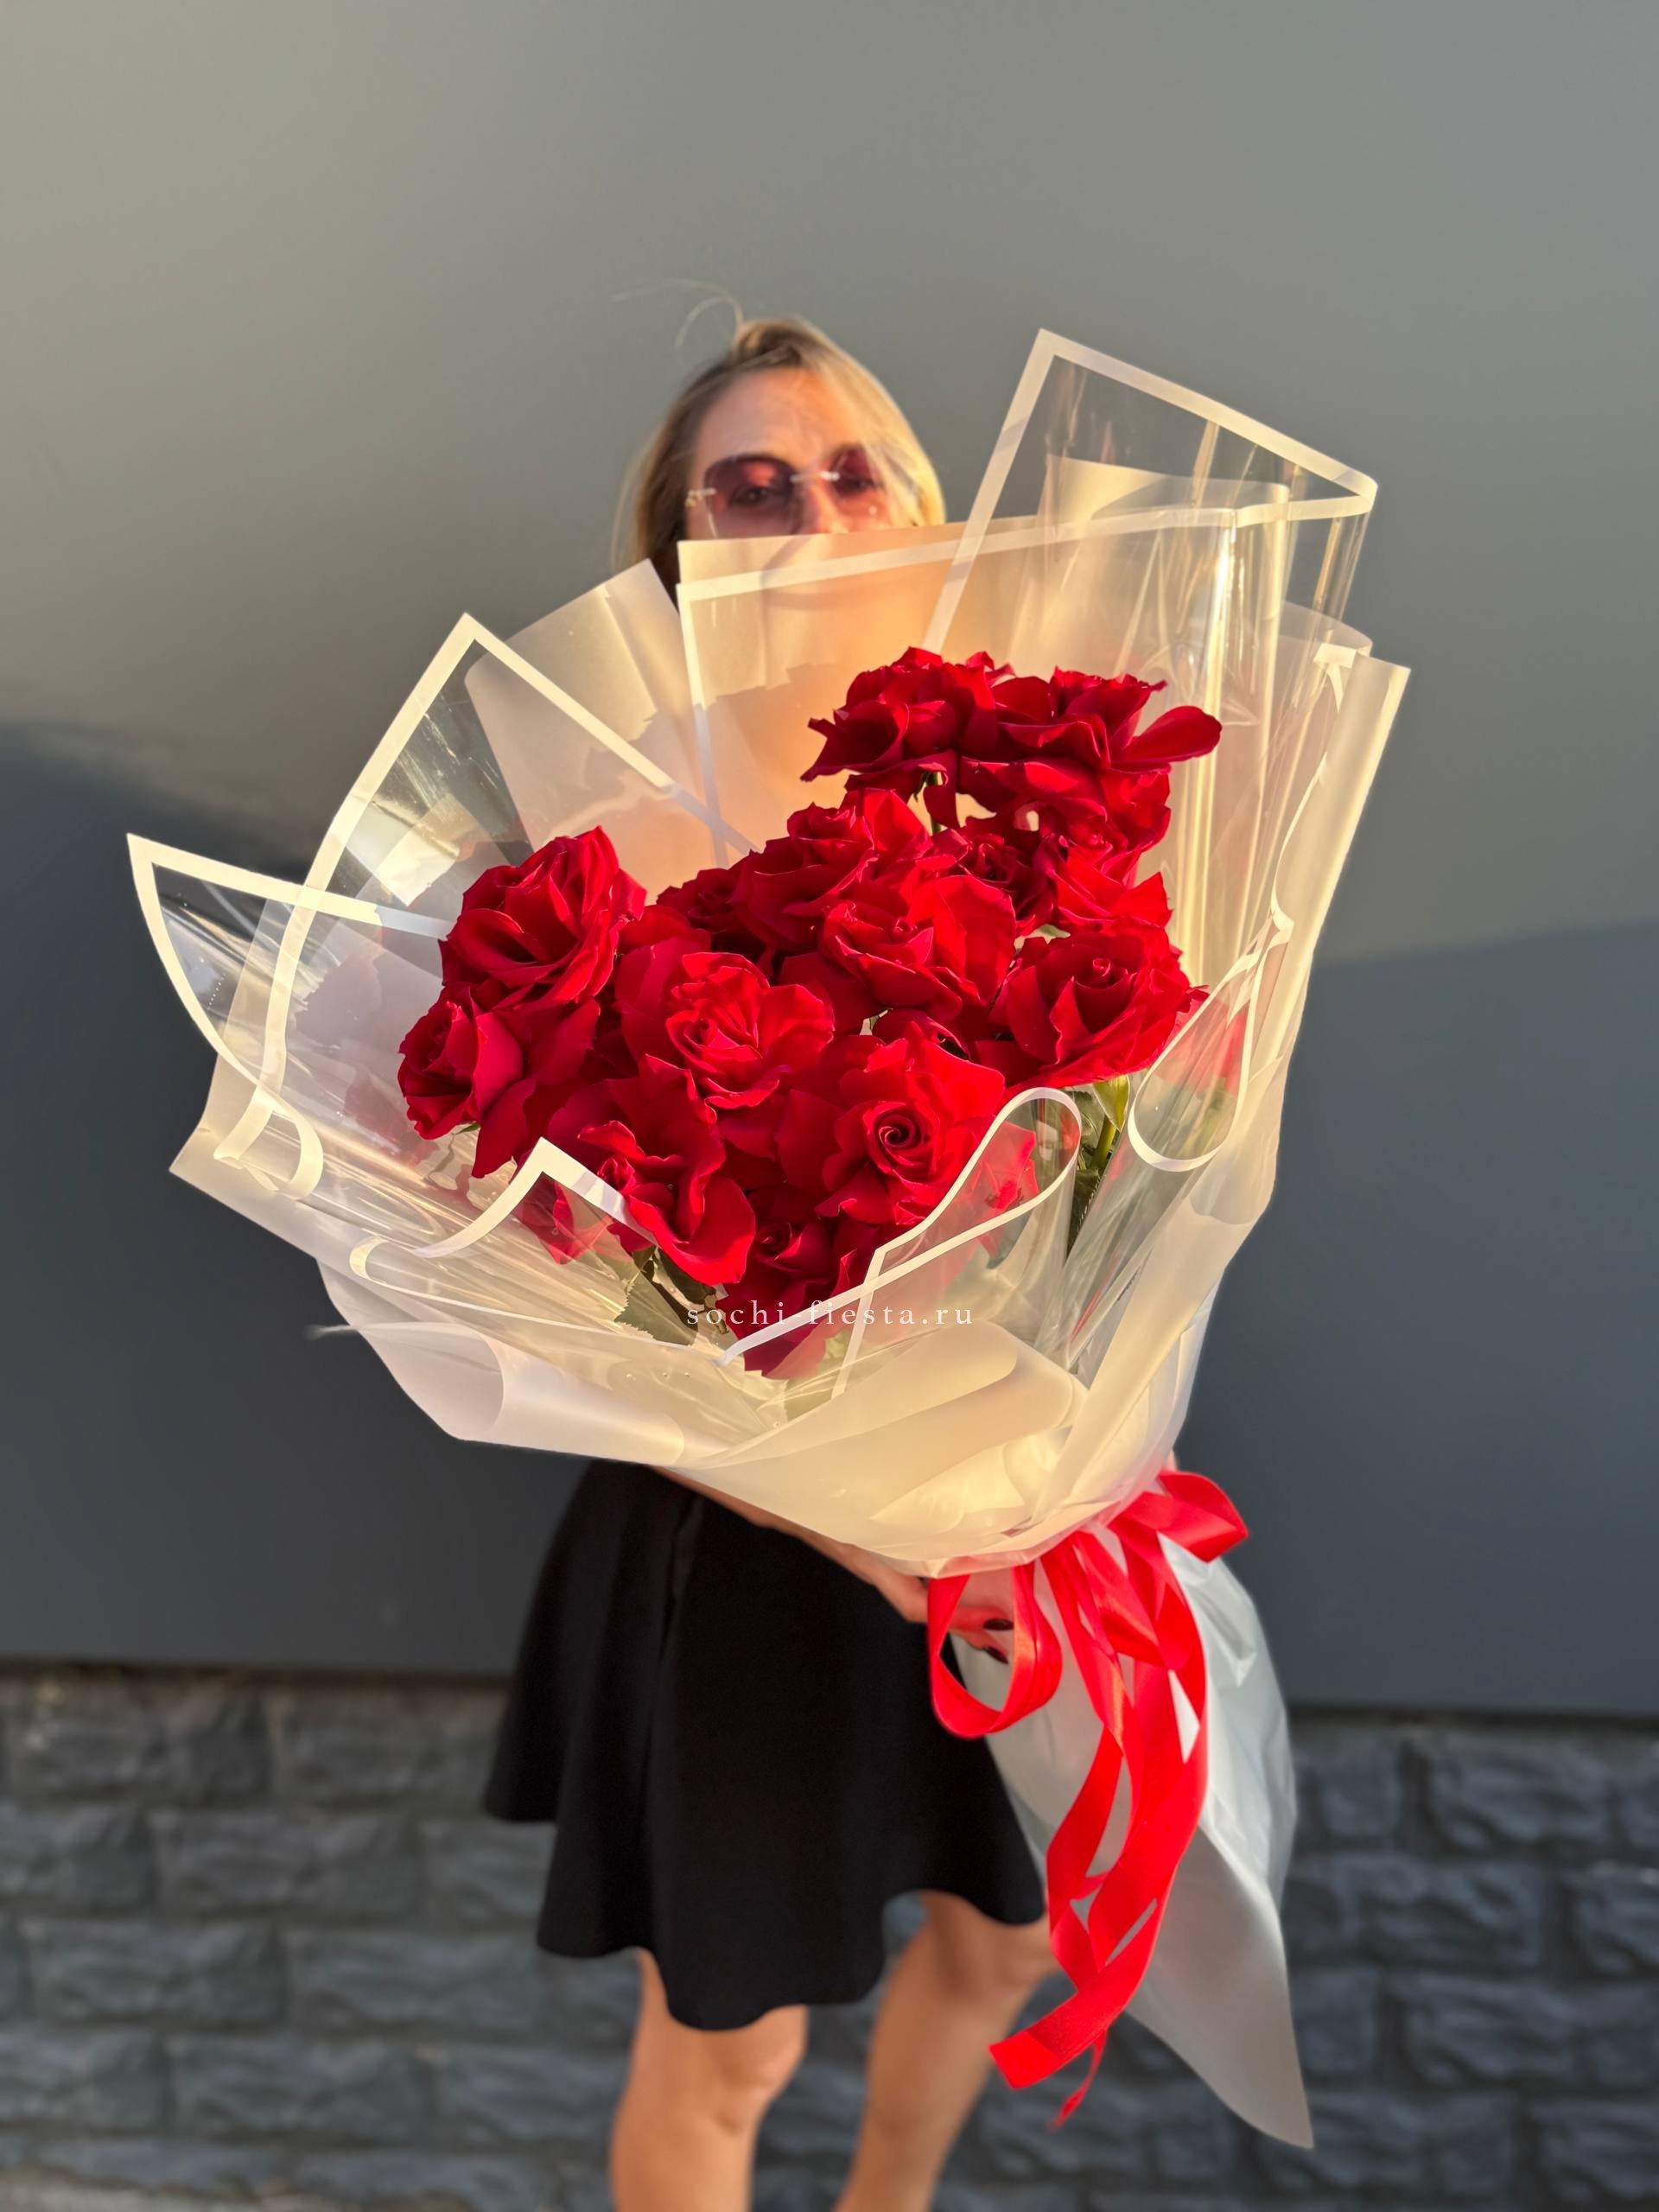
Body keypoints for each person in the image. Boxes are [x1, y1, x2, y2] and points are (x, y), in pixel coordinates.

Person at [483, 316, 1055, 2212]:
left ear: (918, 511)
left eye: (850, 473)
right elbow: (572, 1283)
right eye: (749, 487)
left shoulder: (1020, 789)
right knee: (731, 2041)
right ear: (681, 552)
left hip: (999, 1502)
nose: (809, 513)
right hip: (744, 1538)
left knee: (1009, 1941)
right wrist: (854, 1525)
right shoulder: (606, 824)